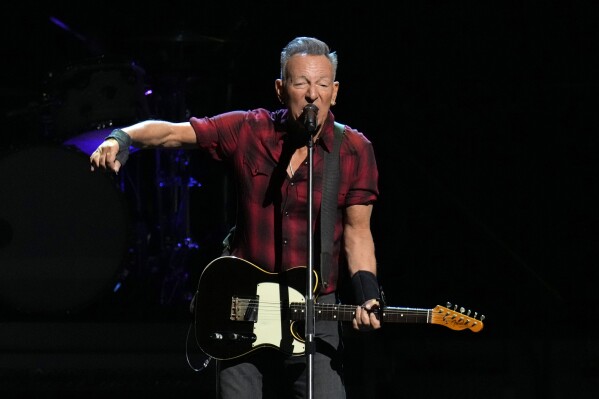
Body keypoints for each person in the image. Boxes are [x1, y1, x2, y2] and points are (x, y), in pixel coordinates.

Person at [90, 36, 381, 399]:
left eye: (322, 84)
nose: (312, 95)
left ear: (334, 92)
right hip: (242, 308)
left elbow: (357, 233)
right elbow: (174, 133)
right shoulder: (249, 130)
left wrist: (368, 293)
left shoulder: (354, 150)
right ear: (280, 89)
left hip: (313, 313)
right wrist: (122, 138)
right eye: (301, 83)